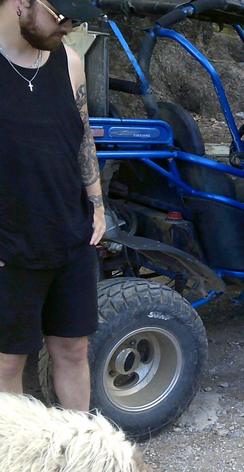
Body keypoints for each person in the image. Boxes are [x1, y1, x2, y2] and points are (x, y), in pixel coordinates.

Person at [0, 0, 105, 411]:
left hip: (70, 234)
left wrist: (96, 204)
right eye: (62, 16)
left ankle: (77, 454)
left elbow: (82, 137)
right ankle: (16, 469)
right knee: (8, 363)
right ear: (22, 3)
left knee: (73, 349)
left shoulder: (70, 62)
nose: (71, 25)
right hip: (10, 247)